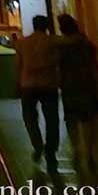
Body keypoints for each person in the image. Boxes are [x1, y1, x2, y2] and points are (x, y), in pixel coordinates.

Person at [57, 14, 98, 175]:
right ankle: (89, 152)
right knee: (89, 122)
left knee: (72, 121)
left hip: (69, 88)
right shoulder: (86, 44)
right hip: (87, 86)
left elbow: (58, 69)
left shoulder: (61, 47)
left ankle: (76, 149)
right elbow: (95, 66)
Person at [16, 14, 60, 172]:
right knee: (52, 119)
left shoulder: (22, 43)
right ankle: (51, 151)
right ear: (47, 26)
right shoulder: (53, 41)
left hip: (28, 85)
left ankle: (37, 144)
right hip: (49, 84)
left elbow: (19, 65)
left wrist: (17, 83)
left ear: (33, 26)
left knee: (29, 117)